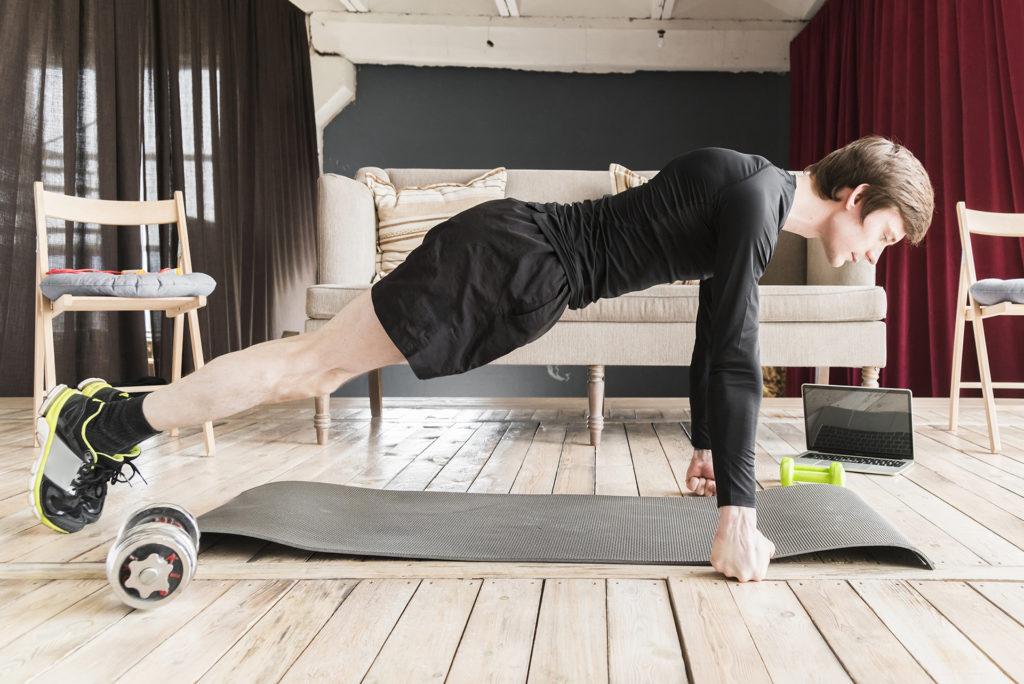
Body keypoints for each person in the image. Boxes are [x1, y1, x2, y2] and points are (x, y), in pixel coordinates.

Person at [29, 136, 934, 582]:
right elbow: (737, 347)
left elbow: (714, 331)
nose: (872, 253)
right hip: (509, 260)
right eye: (884, 234)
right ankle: (100, 420)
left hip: (520, 268)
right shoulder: (757, 197)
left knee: (319, 365)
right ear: (855, 194)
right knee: (313, 368)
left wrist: (704, 445)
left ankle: (109, 417)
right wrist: (739, 512)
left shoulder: (760, 193)